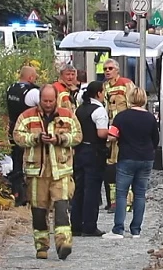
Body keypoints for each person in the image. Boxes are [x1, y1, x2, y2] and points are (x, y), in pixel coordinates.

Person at [12, 84, 82, 260]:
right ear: (40, 100)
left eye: (51, 100)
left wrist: (60, 139)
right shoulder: (26, 117)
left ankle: (63, 243)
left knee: (61, 207)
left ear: (56, 99)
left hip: (61, 170)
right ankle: (41, 246)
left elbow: (78, 135)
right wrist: (35, 138)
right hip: (37, 172)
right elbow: (17, 136)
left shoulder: (67, 116)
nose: (49, 104)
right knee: (38, 210)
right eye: (45, 100)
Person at [103, 88, 160, 239]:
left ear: (129, 98)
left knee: (121, 193)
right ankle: (136, 230)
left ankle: (118, 229)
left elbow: (112, 136)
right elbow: (156, 139)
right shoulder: (150, 118)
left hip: (127, 157)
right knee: (140, 194)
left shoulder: (121, 117)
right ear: (144, 100)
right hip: (146, 158)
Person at [71, 82, 109, 237]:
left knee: (79, 188)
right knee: (92, 190)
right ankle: (89, 225)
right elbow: (101, 133)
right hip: (94, 151)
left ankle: (76, 224)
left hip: (79, 150)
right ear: (99, 93)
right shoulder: (99, 110)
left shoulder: (80, 109)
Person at [103, 59, 137, 212]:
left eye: (110, 68)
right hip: (111, 130)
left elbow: (133, 105)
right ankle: (113, 202)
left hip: (124, 130)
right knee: (111, 166)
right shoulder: (104, 87)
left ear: (117, 70)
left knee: (124, 165)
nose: (107, 71)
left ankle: (128, 201)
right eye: (105, 69)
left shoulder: (126, 84)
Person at [5, 65, 40, 207]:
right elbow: (44, 107)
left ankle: (17, 192)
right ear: (30, 77)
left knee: (16, 160)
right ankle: (27, 193)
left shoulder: (10, 88)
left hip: (13, 128)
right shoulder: (32, 92)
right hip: (27, 130)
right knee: (30, 160)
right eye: (35, 77)